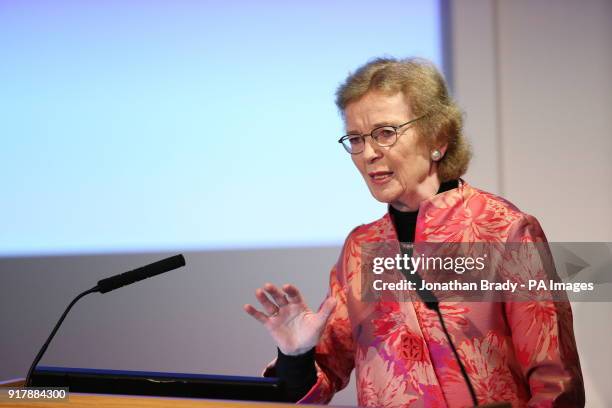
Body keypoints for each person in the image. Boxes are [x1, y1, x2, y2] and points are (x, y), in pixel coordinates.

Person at [243, 57, 584, 407]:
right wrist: (295, 355)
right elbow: (321, 382)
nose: (369, 153)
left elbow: (556, 386)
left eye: (385, 133)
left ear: (438, 137)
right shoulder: (362, 248)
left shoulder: (503, 229)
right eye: (356, 139)